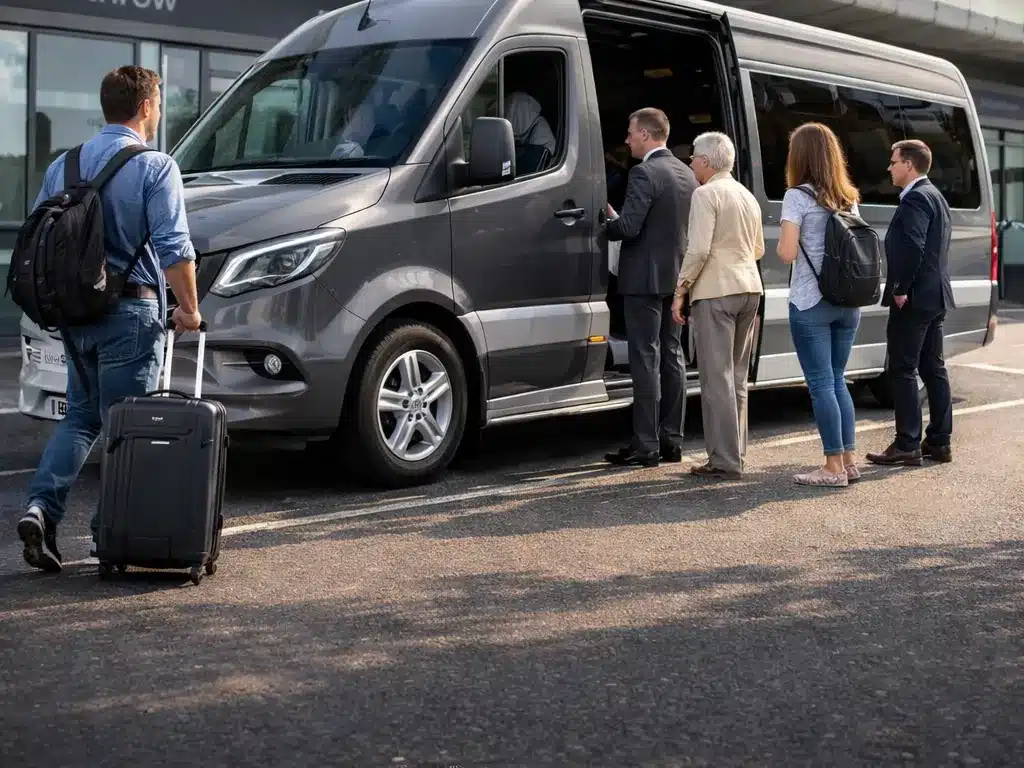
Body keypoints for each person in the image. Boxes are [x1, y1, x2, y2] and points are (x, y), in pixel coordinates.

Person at [16, 65, 202, 573]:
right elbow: (173, 246)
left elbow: (41, 235)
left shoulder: (64, 166)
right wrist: (189, 308)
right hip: (131, 312)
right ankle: (111, 534)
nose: (159, 112)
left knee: (82, 417)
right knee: (127, 428)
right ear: (144, 107)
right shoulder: (156, 166)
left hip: (77, 316)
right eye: (158, 103)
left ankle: (40, 510)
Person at [604, 107, 698, 467]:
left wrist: (605, 221)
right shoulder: (686, 173)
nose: (627, 140)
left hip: (643, 279)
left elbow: (629, 227)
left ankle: (645, 445)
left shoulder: (644, 173)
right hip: (675, 279)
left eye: (630, 133)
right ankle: (671, 440)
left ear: (645, 134)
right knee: (672, 356)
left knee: (645, 358)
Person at [672, 131, 764, 479]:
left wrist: (681, 289)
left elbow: (698, 250)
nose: (691, 162)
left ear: (706, 162)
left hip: (716, 290)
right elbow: (757, 250)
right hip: (749, 288)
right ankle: (735, 454)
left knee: (716, 378)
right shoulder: (747, 196)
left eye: (693, 157)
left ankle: (723, 461)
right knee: (737, 378)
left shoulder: (705, 194)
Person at [777, 123, 863, 488]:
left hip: (811, 302)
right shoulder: (848, 197)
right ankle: (848, 461)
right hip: (848, 302)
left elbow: (786, 252)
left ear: (800, 156)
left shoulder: (797, 197)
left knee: (821, 385)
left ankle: (831, 468)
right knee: (837, 380)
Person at [867, 139, 955, 467]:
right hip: (935, 296)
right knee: (933, 368)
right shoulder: (936, 196)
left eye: (893, 162)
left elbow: (914, 246)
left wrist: (901, 288)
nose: (889, 168)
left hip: (914, 299)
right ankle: (939, 442)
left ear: (910, 165)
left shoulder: (916, 198)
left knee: (903, 369)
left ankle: (907, 444)